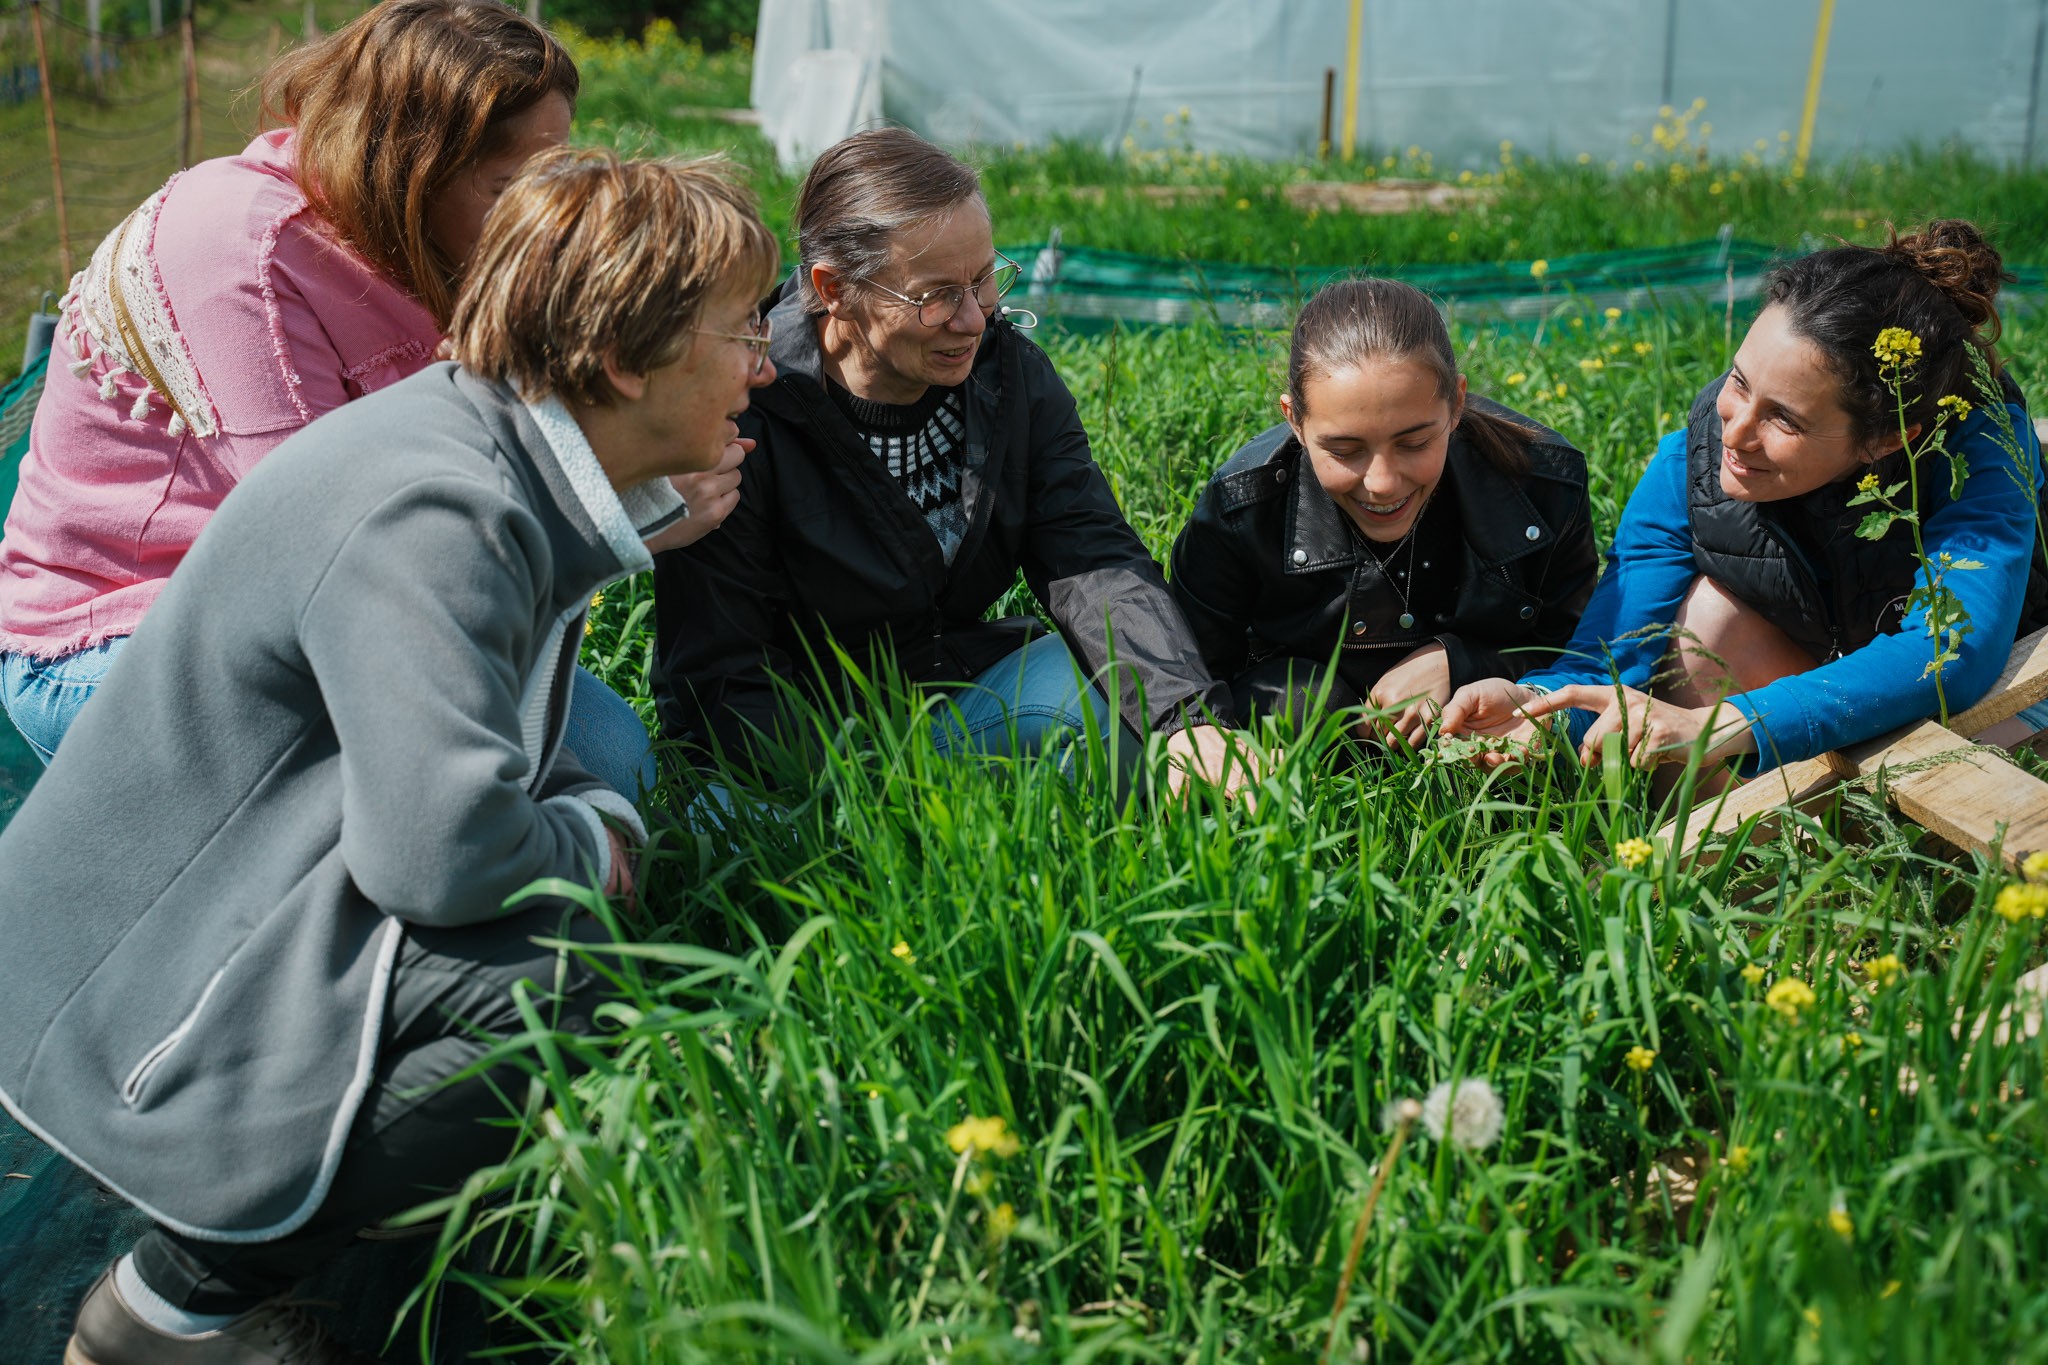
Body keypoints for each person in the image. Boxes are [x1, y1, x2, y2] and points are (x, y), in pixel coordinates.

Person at [0, 146, 780, 1365]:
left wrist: (566, 819)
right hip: (132, 996)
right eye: (744, 330)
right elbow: (443, 854)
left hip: (210, 903)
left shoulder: (485, 458)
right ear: (626, 359)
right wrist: (602, 839)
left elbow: (494, 756)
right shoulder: (443, 509)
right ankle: (167, 1307)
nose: (765, 366)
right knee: (552, 989)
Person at [0, 0, 696, 797]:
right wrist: (600, 516)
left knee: (616, 759)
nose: (537, 218)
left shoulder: (428, 238)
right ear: (411, 161)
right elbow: (329, 555)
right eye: (510, 186)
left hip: (312, 607)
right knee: (468, 788)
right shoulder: (242, 255)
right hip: (123, 639)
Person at [653, 126, 1243, 795]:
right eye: (936, 294)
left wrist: (1187, 721)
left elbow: (1093, 556)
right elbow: (723, 669)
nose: (973, 319)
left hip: (952, 693)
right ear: (835, 289)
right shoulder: (748, 403)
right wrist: (873, 797)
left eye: (985, 277)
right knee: (744, 842)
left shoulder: (1010, 377)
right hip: (791, 738)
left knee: (1112, 710)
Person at [1440, 221, 2047, 776]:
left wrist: (1726, 725)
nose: (1732, 433)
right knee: (1704, 621)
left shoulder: (1981, 454)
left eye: (1784, 419)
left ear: (1887, 440)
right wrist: (1540, 710)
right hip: (1818, 685)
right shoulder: (1697, 460)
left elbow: (1949, 653)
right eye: (1739, 381)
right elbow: (1614, 651)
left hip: (2005, 685)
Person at [1168, 277, 1597, 749]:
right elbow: (1190, 677)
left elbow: (1582, 650)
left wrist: (1458, 662)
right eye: (1345, 450)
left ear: (1456, 403)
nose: (1382, 482)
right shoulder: (1242, 508)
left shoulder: (1544, 485)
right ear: (1294, 419)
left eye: (1414, 442)